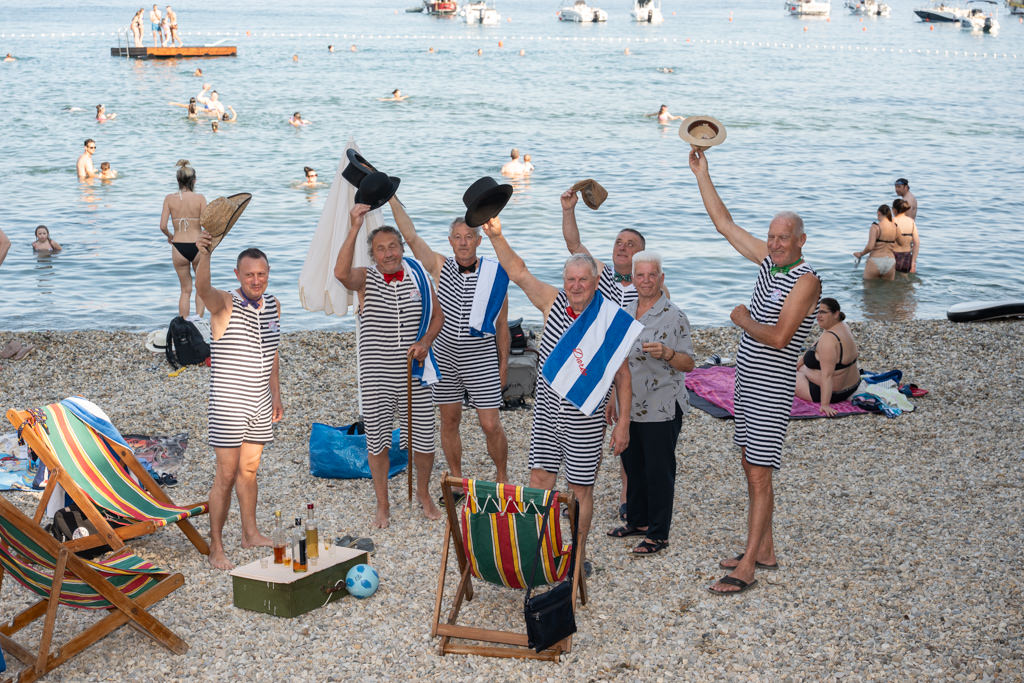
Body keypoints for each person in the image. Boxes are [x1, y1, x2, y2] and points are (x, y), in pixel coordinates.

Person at [689, 148, 821, 595]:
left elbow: (783, 338)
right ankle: (763, 549)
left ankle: (747, 566)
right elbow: (724, 224)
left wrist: (742, 320)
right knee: (750, 465)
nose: (775, 242)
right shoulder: (768, 264)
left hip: (771, 386)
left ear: (801, 240)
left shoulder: (806, 280)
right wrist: (703, 174)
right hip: (746, 383)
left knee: (760, 472)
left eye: (784, 237)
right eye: (771, 236)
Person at [482, 218, 632, 566]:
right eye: (570, 280)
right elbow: (518, 273)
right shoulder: (552, 302)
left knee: (580, 491)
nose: (576, 286)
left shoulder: (608, 318)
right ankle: (542, 551)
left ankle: (577, 558)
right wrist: (496, 237)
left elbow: (623, 375)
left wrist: (623, 422)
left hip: (586, 415)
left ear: (596, 283)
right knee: (539, 481)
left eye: (583, 280)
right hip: (548, 412)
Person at [334, 202, 444, 528]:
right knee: (378, 441)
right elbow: (340, 274)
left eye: (392, 246)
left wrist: (425, 342)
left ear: (401, 248)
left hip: (416, 373)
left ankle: (423, 494)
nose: (388, 253)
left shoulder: (419, 276)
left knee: (424, 441)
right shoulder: (366, 279)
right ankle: (382, 504)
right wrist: (354, 226)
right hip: (376, 374)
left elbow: (437, 316)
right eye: (380, 249)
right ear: (373, 255)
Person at [391, 200, 510, 485]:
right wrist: (392, 198)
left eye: (469, 237)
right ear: (450, 241)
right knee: (450, 420)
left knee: (490, 424)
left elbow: (502, 326)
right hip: (444, 357)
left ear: (479, 240)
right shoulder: (440, 266)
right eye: (458, 237)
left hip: (481, 359)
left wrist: (503, 366)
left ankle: (502, 476)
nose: (463, 242)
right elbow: (411, 237)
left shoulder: (495, 274)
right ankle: (457, 480)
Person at [561, 183, 652, 519]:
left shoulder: (651, 284)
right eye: (618, 242)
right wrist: (569, 210)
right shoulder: (603, 280)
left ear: (643, 254)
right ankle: (601, 488)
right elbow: (574, 246)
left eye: (631, 245)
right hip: (609, 369)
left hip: (643, 365)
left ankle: (630, 493)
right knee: (606, 429)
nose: (622, 248)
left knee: (635, 436)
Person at [195, 236, 283, 570]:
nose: (256, 280)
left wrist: (276, 394)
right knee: (227, 475)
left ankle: (250, 533)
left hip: (259, 402)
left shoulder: (274, 305)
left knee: (250, 471)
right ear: (237, 274)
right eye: (249, 275)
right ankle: (216, 546)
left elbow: (273, 352)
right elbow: (203, 289)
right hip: (228, 405)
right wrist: (205, 253)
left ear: (268, 273)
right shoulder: (225, 304)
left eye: (261, 274)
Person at [607, 251, 693, 555]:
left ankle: (658, 533)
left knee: (658, 470)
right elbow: (615, 362)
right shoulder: (624, 312)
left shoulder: (674, 316)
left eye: (651, 275)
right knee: (633, 465)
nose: (645, 281)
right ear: (632, 278)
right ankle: (638, 521)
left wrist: (668, 353)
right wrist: (612, 400)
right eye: (639, 275)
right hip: (630, 406)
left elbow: (689, 364)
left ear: (661, 278)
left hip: (661, 406)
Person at [795, 298, 860, 417]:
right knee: (799, 368)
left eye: (823, 312)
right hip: (853, 386)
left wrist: (825, 405)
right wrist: (799, 365)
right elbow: (814, 345)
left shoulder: (828, 341)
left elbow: (827, 376)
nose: (818, 316)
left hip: (834, 393)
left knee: (784, 376)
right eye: (817, 312)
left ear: (836, 314)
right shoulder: (842, 327)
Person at [159, 160, 207, 319]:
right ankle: (198, 324)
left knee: (185, 290)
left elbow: (163, 226)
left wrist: (171, 237)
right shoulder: (200, 198)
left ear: (178, 180)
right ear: (194, 181)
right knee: (201, 288)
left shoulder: (169, 199)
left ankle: (184, 325)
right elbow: (208, 224)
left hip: (178, 247)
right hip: (198, 245)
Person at [853, 204, 897, 280]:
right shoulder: (895, 227)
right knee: (889, 290)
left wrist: (861, 254)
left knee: (868, 289)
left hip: (876, 260)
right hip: (890, 261)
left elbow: (870, 247)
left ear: (879, 213)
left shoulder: (875, 227)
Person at [892, 198, 919, 274]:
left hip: (894, 257)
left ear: (894, 210)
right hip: (907, 258)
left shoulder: (893, 221)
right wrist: (913, 263)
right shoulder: (911, 222)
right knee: (907, 283)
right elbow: (916, 243)